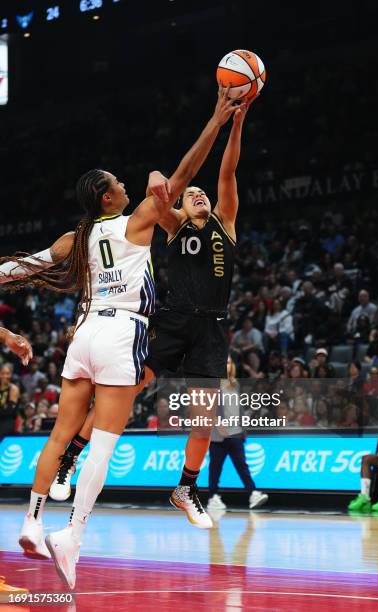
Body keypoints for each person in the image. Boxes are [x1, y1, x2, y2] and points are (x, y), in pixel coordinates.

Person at [0, 87, 238, 589]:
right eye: (119, 184)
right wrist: (216, 120)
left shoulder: (75, 237)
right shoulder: (138, 222)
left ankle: (30, 521)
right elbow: (184, 176)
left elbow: (25, 266)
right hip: (122, 331)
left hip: (82, 333)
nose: (126, 185)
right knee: (105, 445)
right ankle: (73, 535)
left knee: (60, 435)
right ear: (108, 197)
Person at [45, 92, 254, 530]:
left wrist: (237, 124)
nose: (198, 195)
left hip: (211, 329)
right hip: (169, 320)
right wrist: (159, 175)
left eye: (203, 194)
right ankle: (69, 459)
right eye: (191, 194)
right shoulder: (173, 224)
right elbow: (166, 186)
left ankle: (186, 488)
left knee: (204, 422)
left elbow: (228, 170)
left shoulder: (227, 223)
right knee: (124, 393)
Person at [207, 356, 268, 511]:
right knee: (215, 468)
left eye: (228, 362)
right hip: (218, 435)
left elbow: (238, 409)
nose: (225, 365)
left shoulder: (235, 384)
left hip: (235, 433)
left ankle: (253, 493)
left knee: (242, 465)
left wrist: (243, 429)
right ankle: (213, 497)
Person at [0, 363, 21, 436]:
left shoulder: (13, 389)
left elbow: (9, 410)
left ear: (11, 374)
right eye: (2, 373)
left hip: (8, 420)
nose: (5, 376)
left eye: (7, 373)